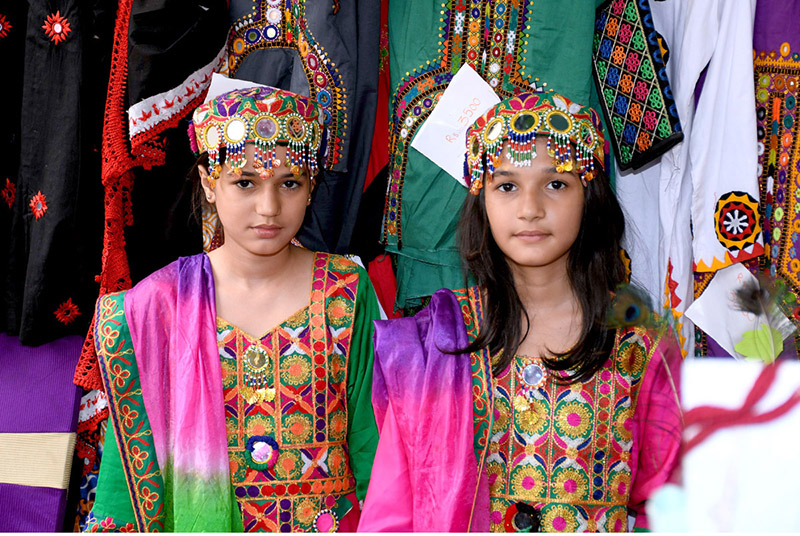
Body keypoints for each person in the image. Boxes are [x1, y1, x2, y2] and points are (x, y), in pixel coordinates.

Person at [358, 92, 683, 532]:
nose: (530, 209)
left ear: (589, 195)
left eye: (556, 184)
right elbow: (394, 506)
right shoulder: (438, 338)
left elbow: (673, 500)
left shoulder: (636, 341)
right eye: (507, 186)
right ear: (482, 201)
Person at [86, 86, 381, 532]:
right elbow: (125, 482)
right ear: (208, 182)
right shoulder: (158, 307)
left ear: (311, 187)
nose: (269, 208)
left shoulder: (345, 292)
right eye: (245, 182)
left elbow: (375, 444)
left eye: (290, 183)